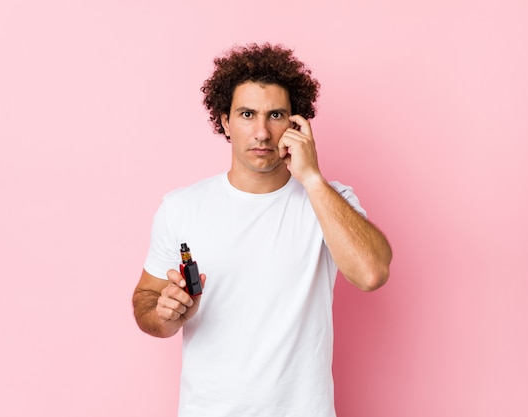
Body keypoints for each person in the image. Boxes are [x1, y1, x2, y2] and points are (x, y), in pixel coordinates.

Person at [132, 43, 392, 417]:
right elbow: (146, 301)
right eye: (247, 114)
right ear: (224, 122)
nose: (262, 132)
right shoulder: (181, 207)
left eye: (275, 115)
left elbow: (372, 273)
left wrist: (312, 178)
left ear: (296, 124)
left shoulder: (329, 200)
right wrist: (164, 314)